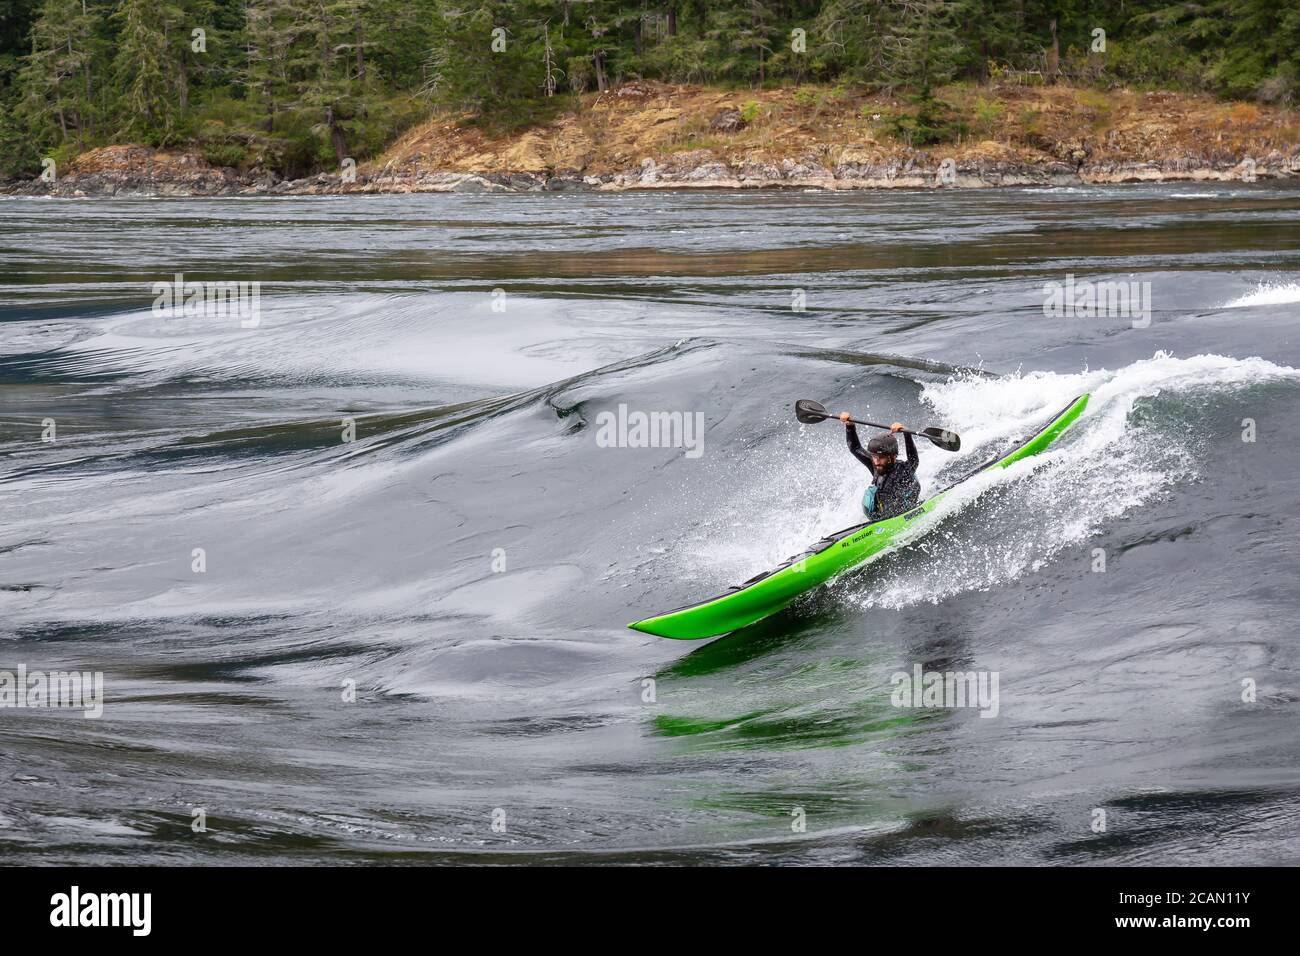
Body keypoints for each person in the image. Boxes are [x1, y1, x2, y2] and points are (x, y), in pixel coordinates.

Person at [839, 414, 921, 519]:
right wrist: (850, 426)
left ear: (893, 456)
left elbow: (913, 459)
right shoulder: (875, 465)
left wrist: (906, 433)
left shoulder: (904, 470)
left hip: (904, 513)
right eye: (874, 456)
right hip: (882, 517)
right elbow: (855, 448)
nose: (877, 461)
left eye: (881, 457)